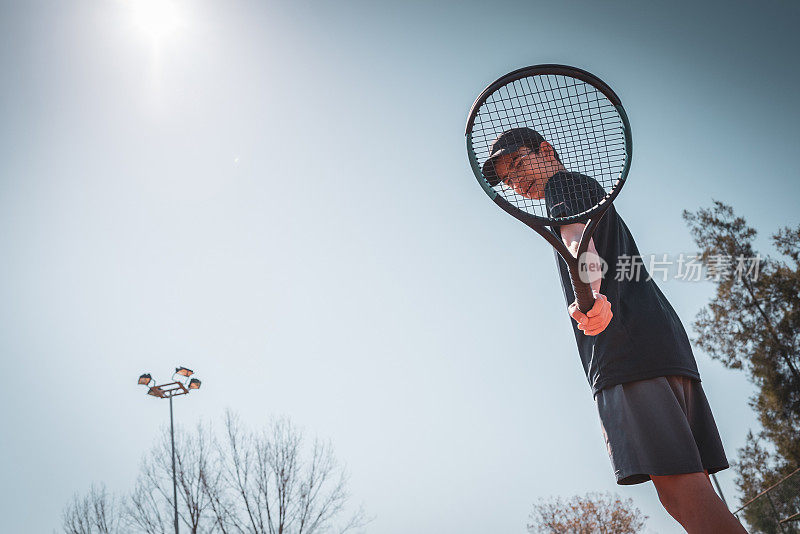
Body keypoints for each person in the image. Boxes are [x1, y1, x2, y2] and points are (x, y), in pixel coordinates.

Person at [482, 127, 748, 533]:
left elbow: (577, 244)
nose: (518, 181)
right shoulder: (581, 188)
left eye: (519, 164)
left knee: (680, 490)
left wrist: (592, 296)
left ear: (547, 151)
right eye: (509, 178)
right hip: (661, 344)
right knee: (691, 490)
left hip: (628, 351)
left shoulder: (563, 186)